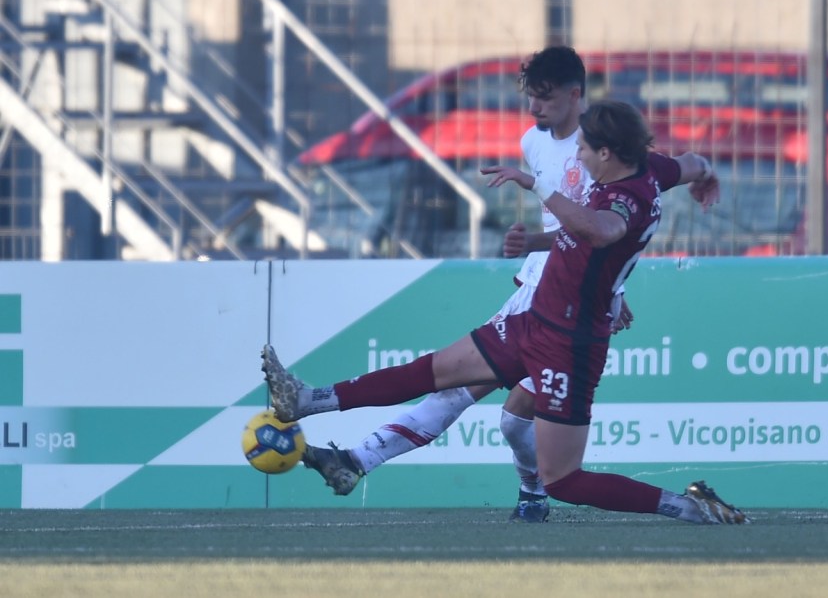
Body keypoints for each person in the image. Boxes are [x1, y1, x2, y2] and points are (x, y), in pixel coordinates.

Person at [263, 99, 747, 525]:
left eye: (583, 148)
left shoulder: (626, 195)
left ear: (606, 153)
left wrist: (538, 185)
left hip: (570, 346)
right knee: (432, 371)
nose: (576, 155)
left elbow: (604, 230)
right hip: (534, 322)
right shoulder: (651, 168)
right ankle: (307, 401)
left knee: (564, 480)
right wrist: (705, 175)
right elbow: (692, 163)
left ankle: (691, 508)